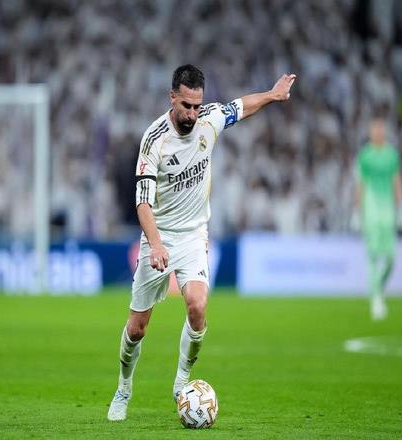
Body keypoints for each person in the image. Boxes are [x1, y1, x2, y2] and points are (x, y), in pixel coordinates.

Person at [107, 64, 296, 421]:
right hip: (159, 236)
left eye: (197, 106)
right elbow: (142, 203)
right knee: (137, 328)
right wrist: (156, 244)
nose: (193, 114)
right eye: (186, 106)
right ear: (172, 98)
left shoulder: (209, 119)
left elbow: (241, 106)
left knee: (197, 305)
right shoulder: (154, 140)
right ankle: (124, 387)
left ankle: (181, 382)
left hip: (194, 235)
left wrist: (272, 96)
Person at [355, 118, 402, 320]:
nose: (377, 134)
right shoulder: (365, 155)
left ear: (384, 133)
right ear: (370, 133)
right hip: (371, 207)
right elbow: (361, 183)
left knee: (391, 257)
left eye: (380, 130)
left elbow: (396, 180)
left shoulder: (392, 155)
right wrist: (357, 211)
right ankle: (375, 297)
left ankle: (379, 288)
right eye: (374, 130)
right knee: (374, 254)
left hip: (388, 208)